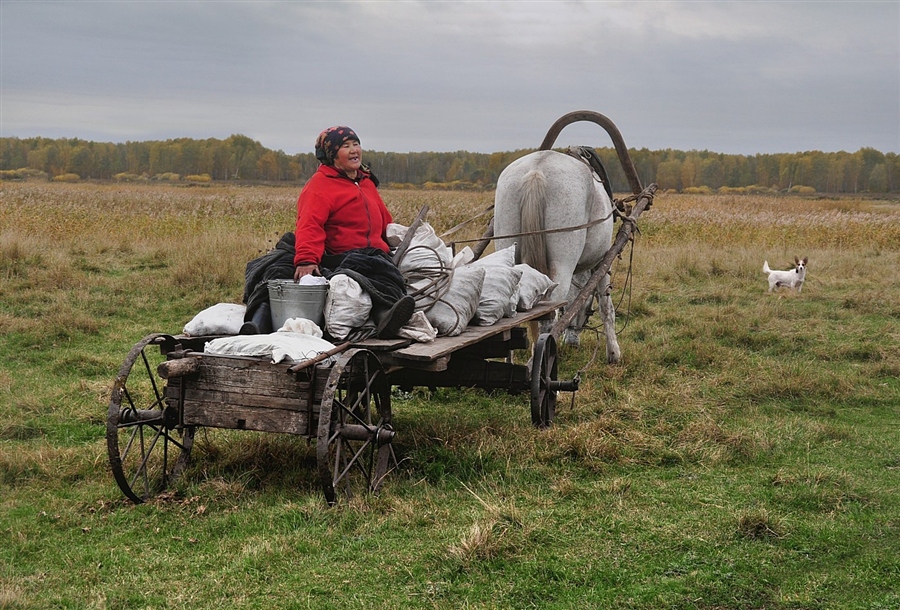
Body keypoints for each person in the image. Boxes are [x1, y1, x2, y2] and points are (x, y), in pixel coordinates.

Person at [293, 125, 415, 339]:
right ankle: (385, 316)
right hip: (343, 256)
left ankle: (389, 313)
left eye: (356, 144)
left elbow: (384, 219)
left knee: (386, 270)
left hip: (374, 253)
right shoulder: (319, 186)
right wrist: (306, 260)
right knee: (376, 274)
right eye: (345, 146)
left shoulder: (365, 182)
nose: (353, 150)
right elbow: (309, 224)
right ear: (331, 155)